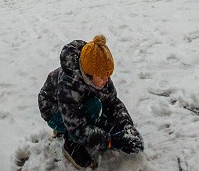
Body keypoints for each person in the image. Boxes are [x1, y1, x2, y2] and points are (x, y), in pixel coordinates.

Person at [38, 35, 144, 170]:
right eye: (102, 76)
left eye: (108, 75)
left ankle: (88, 127)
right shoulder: (68, 86)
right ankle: (71, 144)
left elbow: (112, 102)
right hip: (53, 110)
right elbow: (77, 129)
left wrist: (126, 127)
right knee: (94, 107)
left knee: (101, 109)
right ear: (89, 74)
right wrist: (111, 141)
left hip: (74, 106)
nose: (106, 80)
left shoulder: (99, 75)